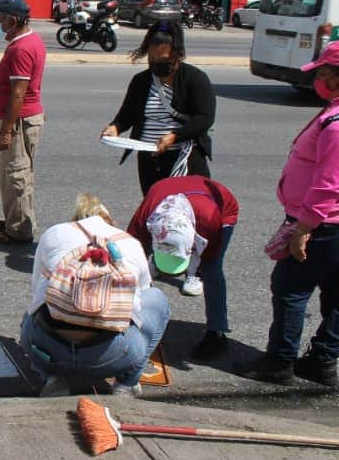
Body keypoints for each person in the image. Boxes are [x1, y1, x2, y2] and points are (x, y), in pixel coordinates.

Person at [237, 42, 339, 387]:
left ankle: (280, 362)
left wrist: (303, 228)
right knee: (336, 293)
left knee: (290, 288)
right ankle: (323, 360)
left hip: (323, 224)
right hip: (329, 223)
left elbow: (329, 185)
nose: (318, 78)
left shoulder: (336, 125)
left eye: (323, 72)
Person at [20, 193, 169, 397]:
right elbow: (142, 295)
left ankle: (52, 379)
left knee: (34, 309)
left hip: (48, 351)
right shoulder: (130, 243)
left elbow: (36, 288)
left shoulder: (55, 233)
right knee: (158, 298)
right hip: (112, 356)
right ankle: (126, 384)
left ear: (75, 219)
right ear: (110, 222)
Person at [126, 176, 239, 360]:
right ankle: (129, 318)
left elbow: (209, 257)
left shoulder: (209, 221)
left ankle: (217, 332)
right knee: (133, 264)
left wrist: (196, 266)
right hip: (165, 193)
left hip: (219, 207)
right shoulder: (145, 220)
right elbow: (128, 259)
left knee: (211, 268)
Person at [101, 21, 215, 195]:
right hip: (149, 161)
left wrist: (174, 137)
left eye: (163, 60)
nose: (156, 64)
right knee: (155, 205)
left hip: (184, 159)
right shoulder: (141, 81)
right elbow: (127, 115)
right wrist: (114, 127)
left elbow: (204, 118)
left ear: (177, 55)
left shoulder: (195, 78)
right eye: (152, 59)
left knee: (186, 206)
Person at [0, 0, 46, 244]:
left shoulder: (22, 48)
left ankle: (20, 230)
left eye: (0, 18)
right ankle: (15, 219)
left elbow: (18, 93)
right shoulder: (26, 41)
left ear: (13, 20)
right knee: (11, 173)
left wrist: (6, 130)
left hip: (20, 120)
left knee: (17, 174)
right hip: (18, 119)